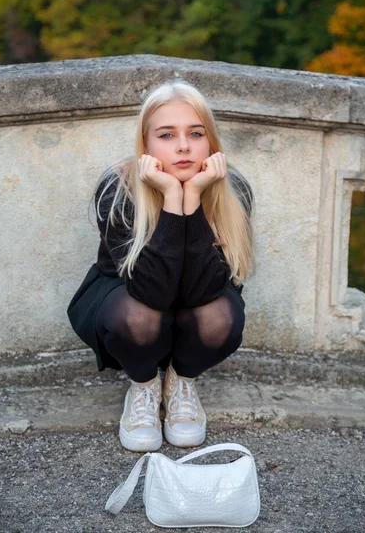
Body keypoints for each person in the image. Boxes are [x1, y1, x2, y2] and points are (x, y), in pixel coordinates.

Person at [67, 79, 255, 453]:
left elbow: (206, 290)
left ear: (211, 141)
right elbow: (149, 293)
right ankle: (144, 386)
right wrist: (171, 197)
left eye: (195, 133)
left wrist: (194, 196)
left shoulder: (232, 189)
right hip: (128, 302)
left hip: (197, 298)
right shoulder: (117, 188)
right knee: (138, 317)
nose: (183, 145)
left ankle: (182, 380)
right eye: (167, 135)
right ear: (146, 144)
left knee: (220, 318)